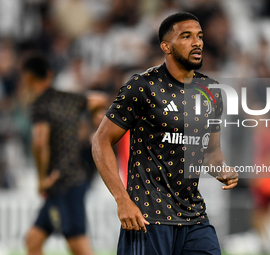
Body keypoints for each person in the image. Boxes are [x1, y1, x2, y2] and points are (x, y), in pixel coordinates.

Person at [92, 12, 238, 255]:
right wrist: (122, 200)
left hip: (193, 217)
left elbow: (211, 151)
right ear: (166, 46)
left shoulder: (210, 91)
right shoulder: (142, 86)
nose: (197, 42)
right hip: (148, 218)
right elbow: (100, 141)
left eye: (200, 36)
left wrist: (222, 168)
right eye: (186, 36)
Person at [21, 54, 107, 255]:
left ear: (27, 78)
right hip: (70, 178)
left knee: (78, 244)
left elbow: (39, 142)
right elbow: (99, 99)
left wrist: (42, 179)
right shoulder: (68, 98)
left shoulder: (40, 105)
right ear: (49, 75)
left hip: (63, 181)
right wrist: (98, 115)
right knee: (33, 239)